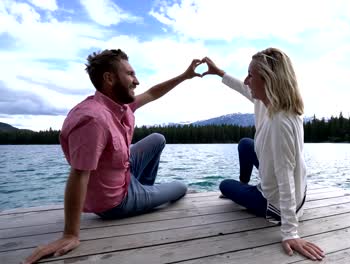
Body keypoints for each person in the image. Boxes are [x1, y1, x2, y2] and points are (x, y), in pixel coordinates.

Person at [23, 49, 202, 264]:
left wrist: (184, 76)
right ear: (109, 78)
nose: (136, 81)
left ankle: (144, 190)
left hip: (121, 173)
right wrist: (70, 234)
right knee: (180, 187)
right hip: (115, 202)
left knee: (157, 138)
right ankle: (141, 197)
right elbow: (79, 174)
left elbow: (153, 93)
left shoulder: (119, 105)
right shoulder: (93, 120)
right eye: (130, 74)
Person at [201, 48, 325, 261]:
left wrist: (290, 233)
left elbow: (285, 179)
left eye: (251, 75)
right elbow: (242, 88)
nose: (246, 81)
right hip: (293, 187)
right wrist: (219, 73)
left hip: (276, 203)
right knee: (245, 144)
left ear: (267, 79)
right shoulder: (268, 101)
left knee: (225, 186)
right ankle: (246, 184)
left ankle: (246, 190)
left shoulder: (280, 123)